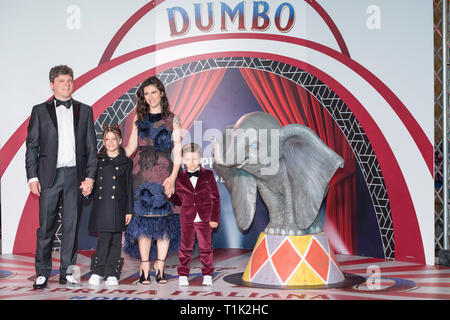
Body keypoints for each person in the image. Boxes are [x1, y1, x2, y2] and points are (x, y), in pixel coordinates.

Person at [25, 65, 97, 289]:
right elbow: (32, 146)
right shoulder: (39, 111)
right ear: (52, 84)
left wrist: (90, 177)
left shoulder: (84, 110)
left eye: (70, 80)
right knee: (46, 227)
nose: (67, 84)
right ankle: (42, 271)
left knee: (71, 227)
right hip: (49, 176)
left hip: (74, 175)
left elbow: (91, 148)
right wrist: (32, 176)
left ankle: (67, 271)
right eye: (62, 81)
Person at [123, 76, 182, 284]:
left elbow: (178, 152)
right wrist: (108, 156)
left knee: (165, 224)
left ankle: (161, 267)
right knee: (144, 223)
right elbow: (130, 148)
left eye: (154, 92)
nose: (150, 97)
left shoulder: (173, 119)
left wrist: (173, 177)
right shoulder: (139, 116)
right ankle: (145, 266)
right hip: (141, 174)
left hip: (165, 174)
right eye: (146, 94)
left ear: (162, 93)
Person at [168, 143, 220, 286]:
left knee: (206, 248)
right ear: (183, 160)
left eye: (195, 159)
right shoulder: (180, 178)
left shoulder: (208, 175)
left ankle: (207, 274)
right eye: (188, 159)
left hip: (205, 217)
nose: (191, 162)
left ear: (201, 159)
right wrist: (169, 195)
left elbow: (215, 198)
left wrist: (214, 218)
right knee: (185, 248)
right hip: (187, 218)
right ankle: (183, 274)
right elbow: (178, 200)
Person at [88, 123, 133, 286]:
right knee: (104, 240)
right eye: (107, 139)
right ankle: (98, 271)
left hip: (119, 207)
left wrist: (129, 210)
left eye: (114, 139)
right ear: (103, 141)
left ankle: (112, 272)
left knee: (115, 241)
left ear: (120, 140)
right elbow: (90, 184)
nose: (111, 142)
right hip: (103, 208)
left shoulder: (126, 162)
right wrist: (86, 190)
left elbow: (129, 187)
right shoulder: (97, 160)